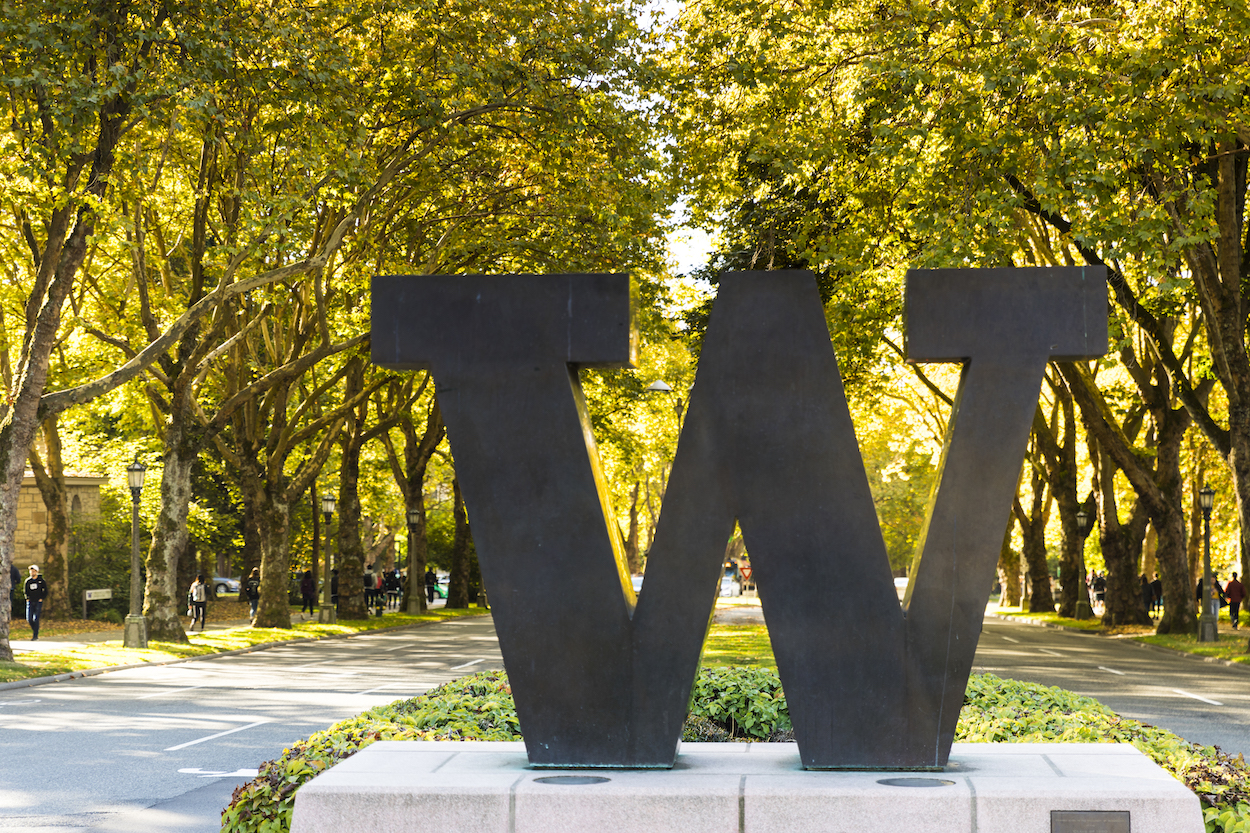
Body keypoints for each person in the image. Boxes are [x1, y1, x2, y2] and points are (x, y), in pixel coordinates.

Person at [24, 565, 48, 640]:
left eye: (34, 571)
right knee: (29, 619)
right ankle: (35, 629)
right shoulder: (28, 581)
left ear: (37, 572)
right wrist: (27, 598)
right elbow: (25, 591)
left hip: (38, 601)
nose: (32, 572)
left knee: (36, 618)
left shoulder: (41, 581)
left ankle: (35, 635)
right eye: (31, 571)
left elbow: (45, 590)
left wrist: (42, 598)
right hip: (30, 601)